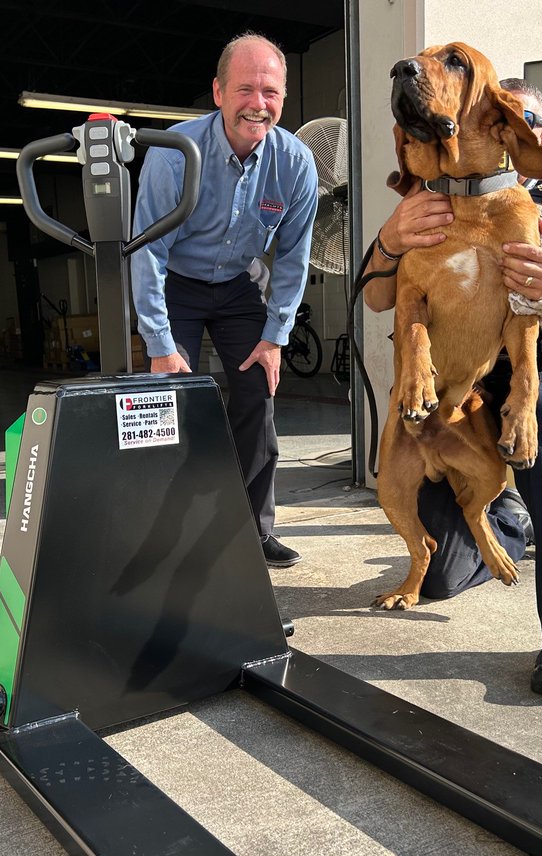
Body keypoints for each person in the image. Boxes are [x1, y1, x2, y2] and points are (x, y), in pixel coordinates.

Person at [362, 77, 542, 699]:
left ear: (536, 137)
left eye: (516, 120)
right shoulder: (437, 197)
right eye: (489, 115)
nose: (498, 129)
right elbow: (376, 297)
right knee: (444, 577)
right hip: (459, 382)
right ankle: (503, 518)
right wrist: (390, 240)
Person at [131, 32, 319, 568]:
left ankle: (255, 531)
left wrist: (275, 337)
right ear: (217, 92)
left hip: (238, 285)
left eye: (271, 92)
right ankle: (159, 537)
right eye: (245, 90)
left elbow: (294, 256)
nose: (258, 105)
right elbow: (145, 252)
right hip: (176, 283)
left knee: (258, 395)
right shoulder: (174, 154)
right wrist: (161, 343)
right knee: (167, 406)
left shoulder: (296, 163)